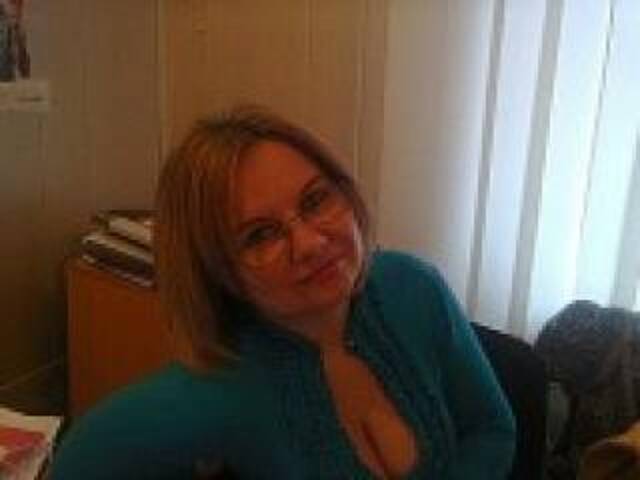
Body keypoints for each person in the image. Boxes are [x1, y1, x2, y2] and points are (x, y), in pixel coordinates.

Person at [50, 106, 516, 479]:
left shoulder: (412, 286)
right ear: (218, 272)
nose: (310, 243)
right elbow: (82, 459)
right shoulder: (220, 388)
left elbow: (491, 428)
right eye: (260, 235)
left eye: (316, 200)